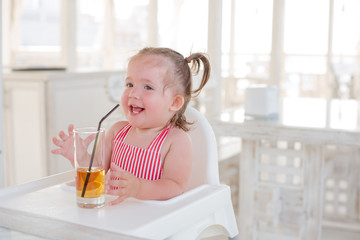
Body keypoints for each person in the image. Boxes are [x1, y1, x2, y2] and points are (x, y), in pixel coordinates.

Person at [51, 47, 211, 205]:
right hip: (114, 215)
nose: (133, 93)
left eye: (148, 87)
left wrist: (138, 188)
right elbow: (96, 173)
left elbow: (174, 187)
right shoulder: (116, 132)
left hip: (150, 221)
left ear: (174, 102)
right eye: (129, 84)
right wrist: (81, 158)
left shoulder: (176, 140)